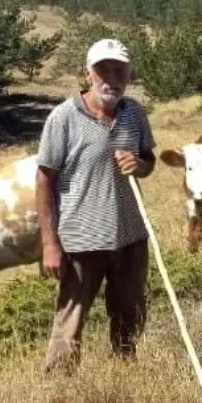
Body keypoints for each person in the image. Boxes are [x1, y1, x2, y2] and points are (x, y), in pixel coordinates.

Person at [35, 37, 158, 372]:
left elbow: (149, 159)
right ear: (87, 73)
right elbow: (44, 179)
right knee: (70, 322)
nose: (112, 78)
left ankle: (124, 376)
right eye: (103, 70)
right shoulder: (63, 118)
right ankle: (59, 390)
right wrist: (49, 244)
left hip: (130, 237)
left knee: (130, 316)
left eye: (120, 70)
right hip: (81, 240)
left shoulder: (134, 113)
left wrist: (141, 165)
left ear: (130, 75)